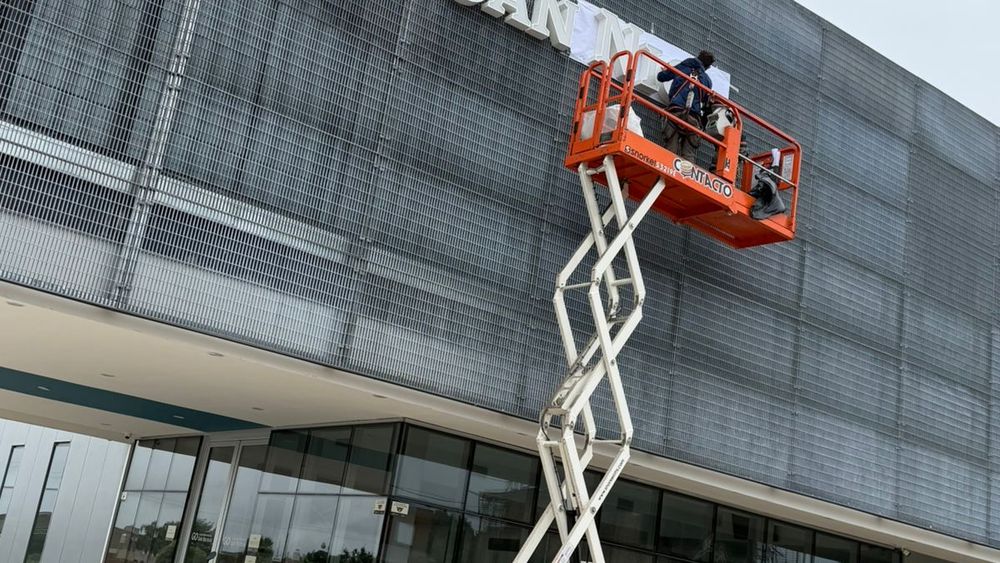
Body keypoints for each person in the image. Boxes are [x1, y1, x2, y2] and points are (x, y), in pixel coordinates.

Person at [657, 50, 715, 162]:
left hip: (676, 112)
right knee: (688, 156)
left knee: (670, 150)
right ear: (707, 67)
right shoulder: (707, 81)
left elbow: (661, 77)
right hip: (693, 118)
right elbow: (705, 101)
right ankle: (686, 177)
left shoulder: (685, 66)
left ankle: (665, 174)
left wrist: (666, 71)